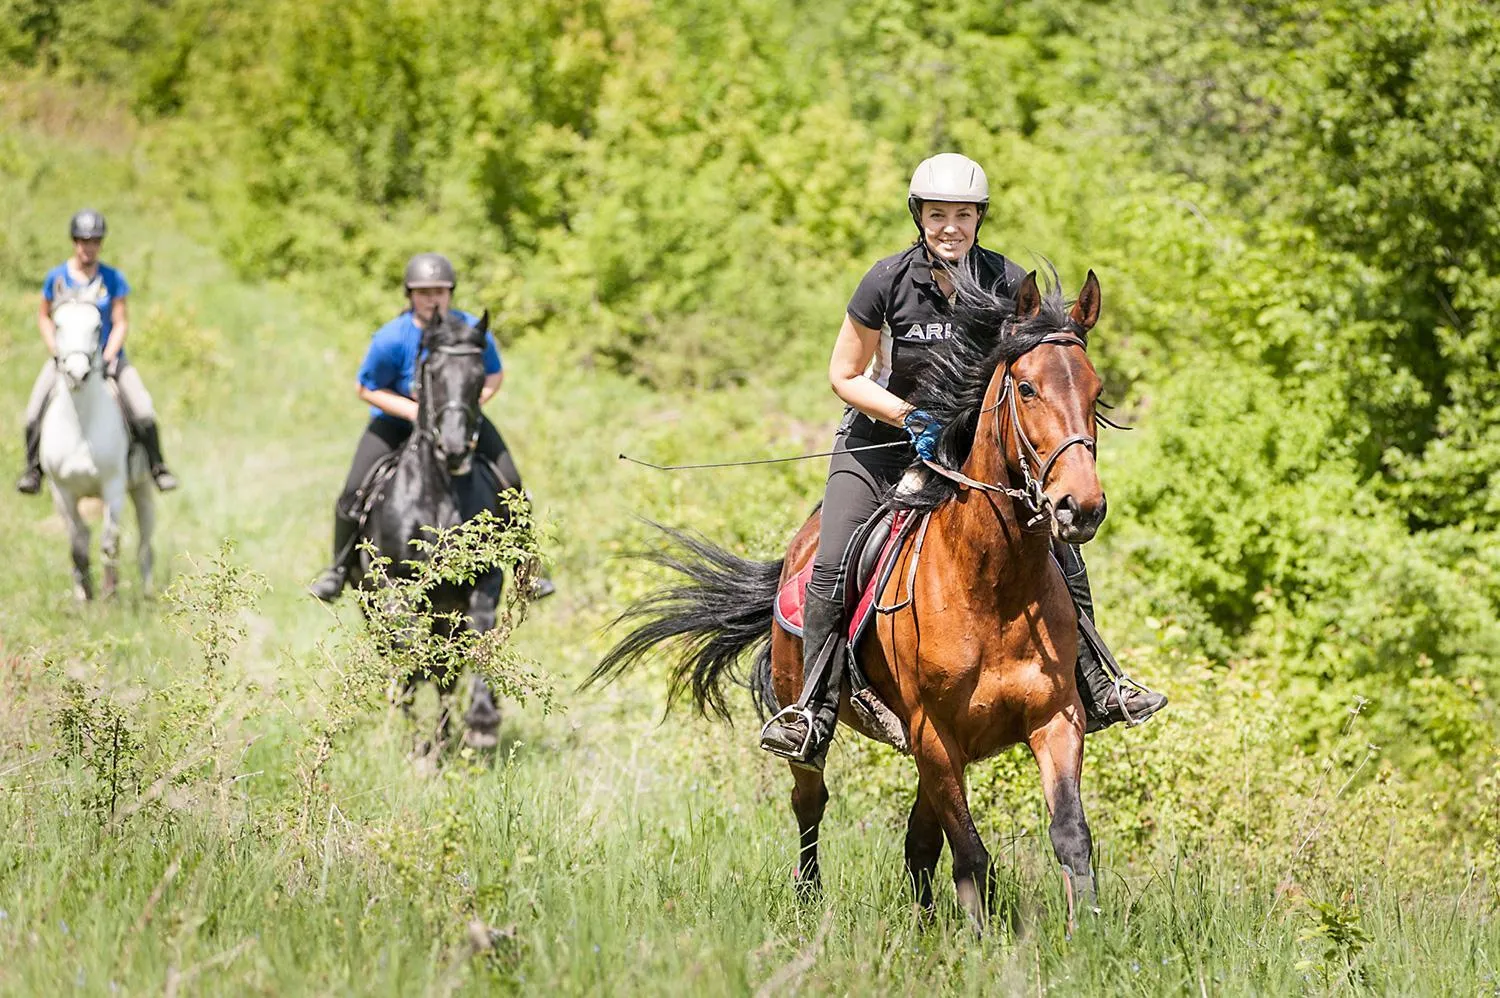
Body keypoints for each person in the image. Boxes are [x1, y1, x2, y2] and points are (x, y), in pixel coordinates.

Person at [758, 153, 1167, 770]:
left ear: (980, 219)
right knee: (835, 558)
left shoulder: (1006, 282)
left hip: (972, 452)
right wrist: (907, 417)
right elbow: (843, 375)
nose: (950, 226)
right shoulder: (886, 281)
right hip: (878, 445)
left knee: (1061, 550)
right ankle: (812, 710)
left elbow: (1034, 367)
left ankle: (1100, 681)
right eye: (938, 215)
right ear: (919, 216)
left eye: (963, 216)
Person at [309, 252, 554, 601]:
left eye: (439, 291)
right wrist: (414, 412)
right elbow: (366, 387)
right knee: (352, 492)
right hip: (396, 422)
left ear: (450, 293)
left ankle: (527, 572)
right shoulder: (392, 337)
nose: (432, 299)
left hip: (459, 422)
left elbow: (494, 374)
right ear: (409, 295)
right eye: (424, 292)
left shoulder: (470, 329)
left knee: (511, 485)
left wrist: (465, 410)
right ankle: (338, 570)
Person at [16, 209, 178, 494]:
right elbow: (44, 316)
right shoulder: (57, 278)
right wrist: (55, 349)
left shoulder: (113, 279)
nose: (87, 247)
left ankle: (157, 465)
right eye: (82, 240)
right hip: (66, 357)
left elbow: (120, 322)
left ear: (100, 244)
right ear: (74, 242)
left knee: (143, 409)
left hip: (106, 357)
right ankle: (33, 469)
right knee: (33, 412)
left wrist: (107, 357)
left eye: (93, 241)